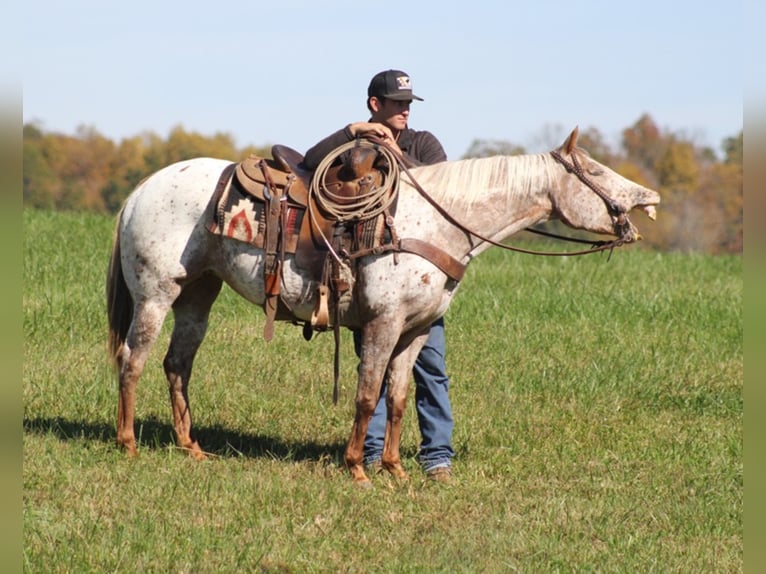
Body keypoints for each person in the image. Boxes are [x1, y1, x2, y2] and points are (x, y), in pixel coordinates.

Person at [302, 70, 454, 482]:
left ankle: (437, 455)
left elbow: (439, 190)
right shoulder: (356, 144)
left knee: (431, 368)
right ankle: (371, 451)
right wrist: (351, 132)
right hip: (374, 280)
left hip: (421, 281)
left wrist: (397, 154)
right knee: (374, 364)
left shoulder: (424, 143)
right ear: (375, 105)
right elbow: (308, 163)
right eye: (397, 103)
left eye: (408, 103)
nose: (405, 109)